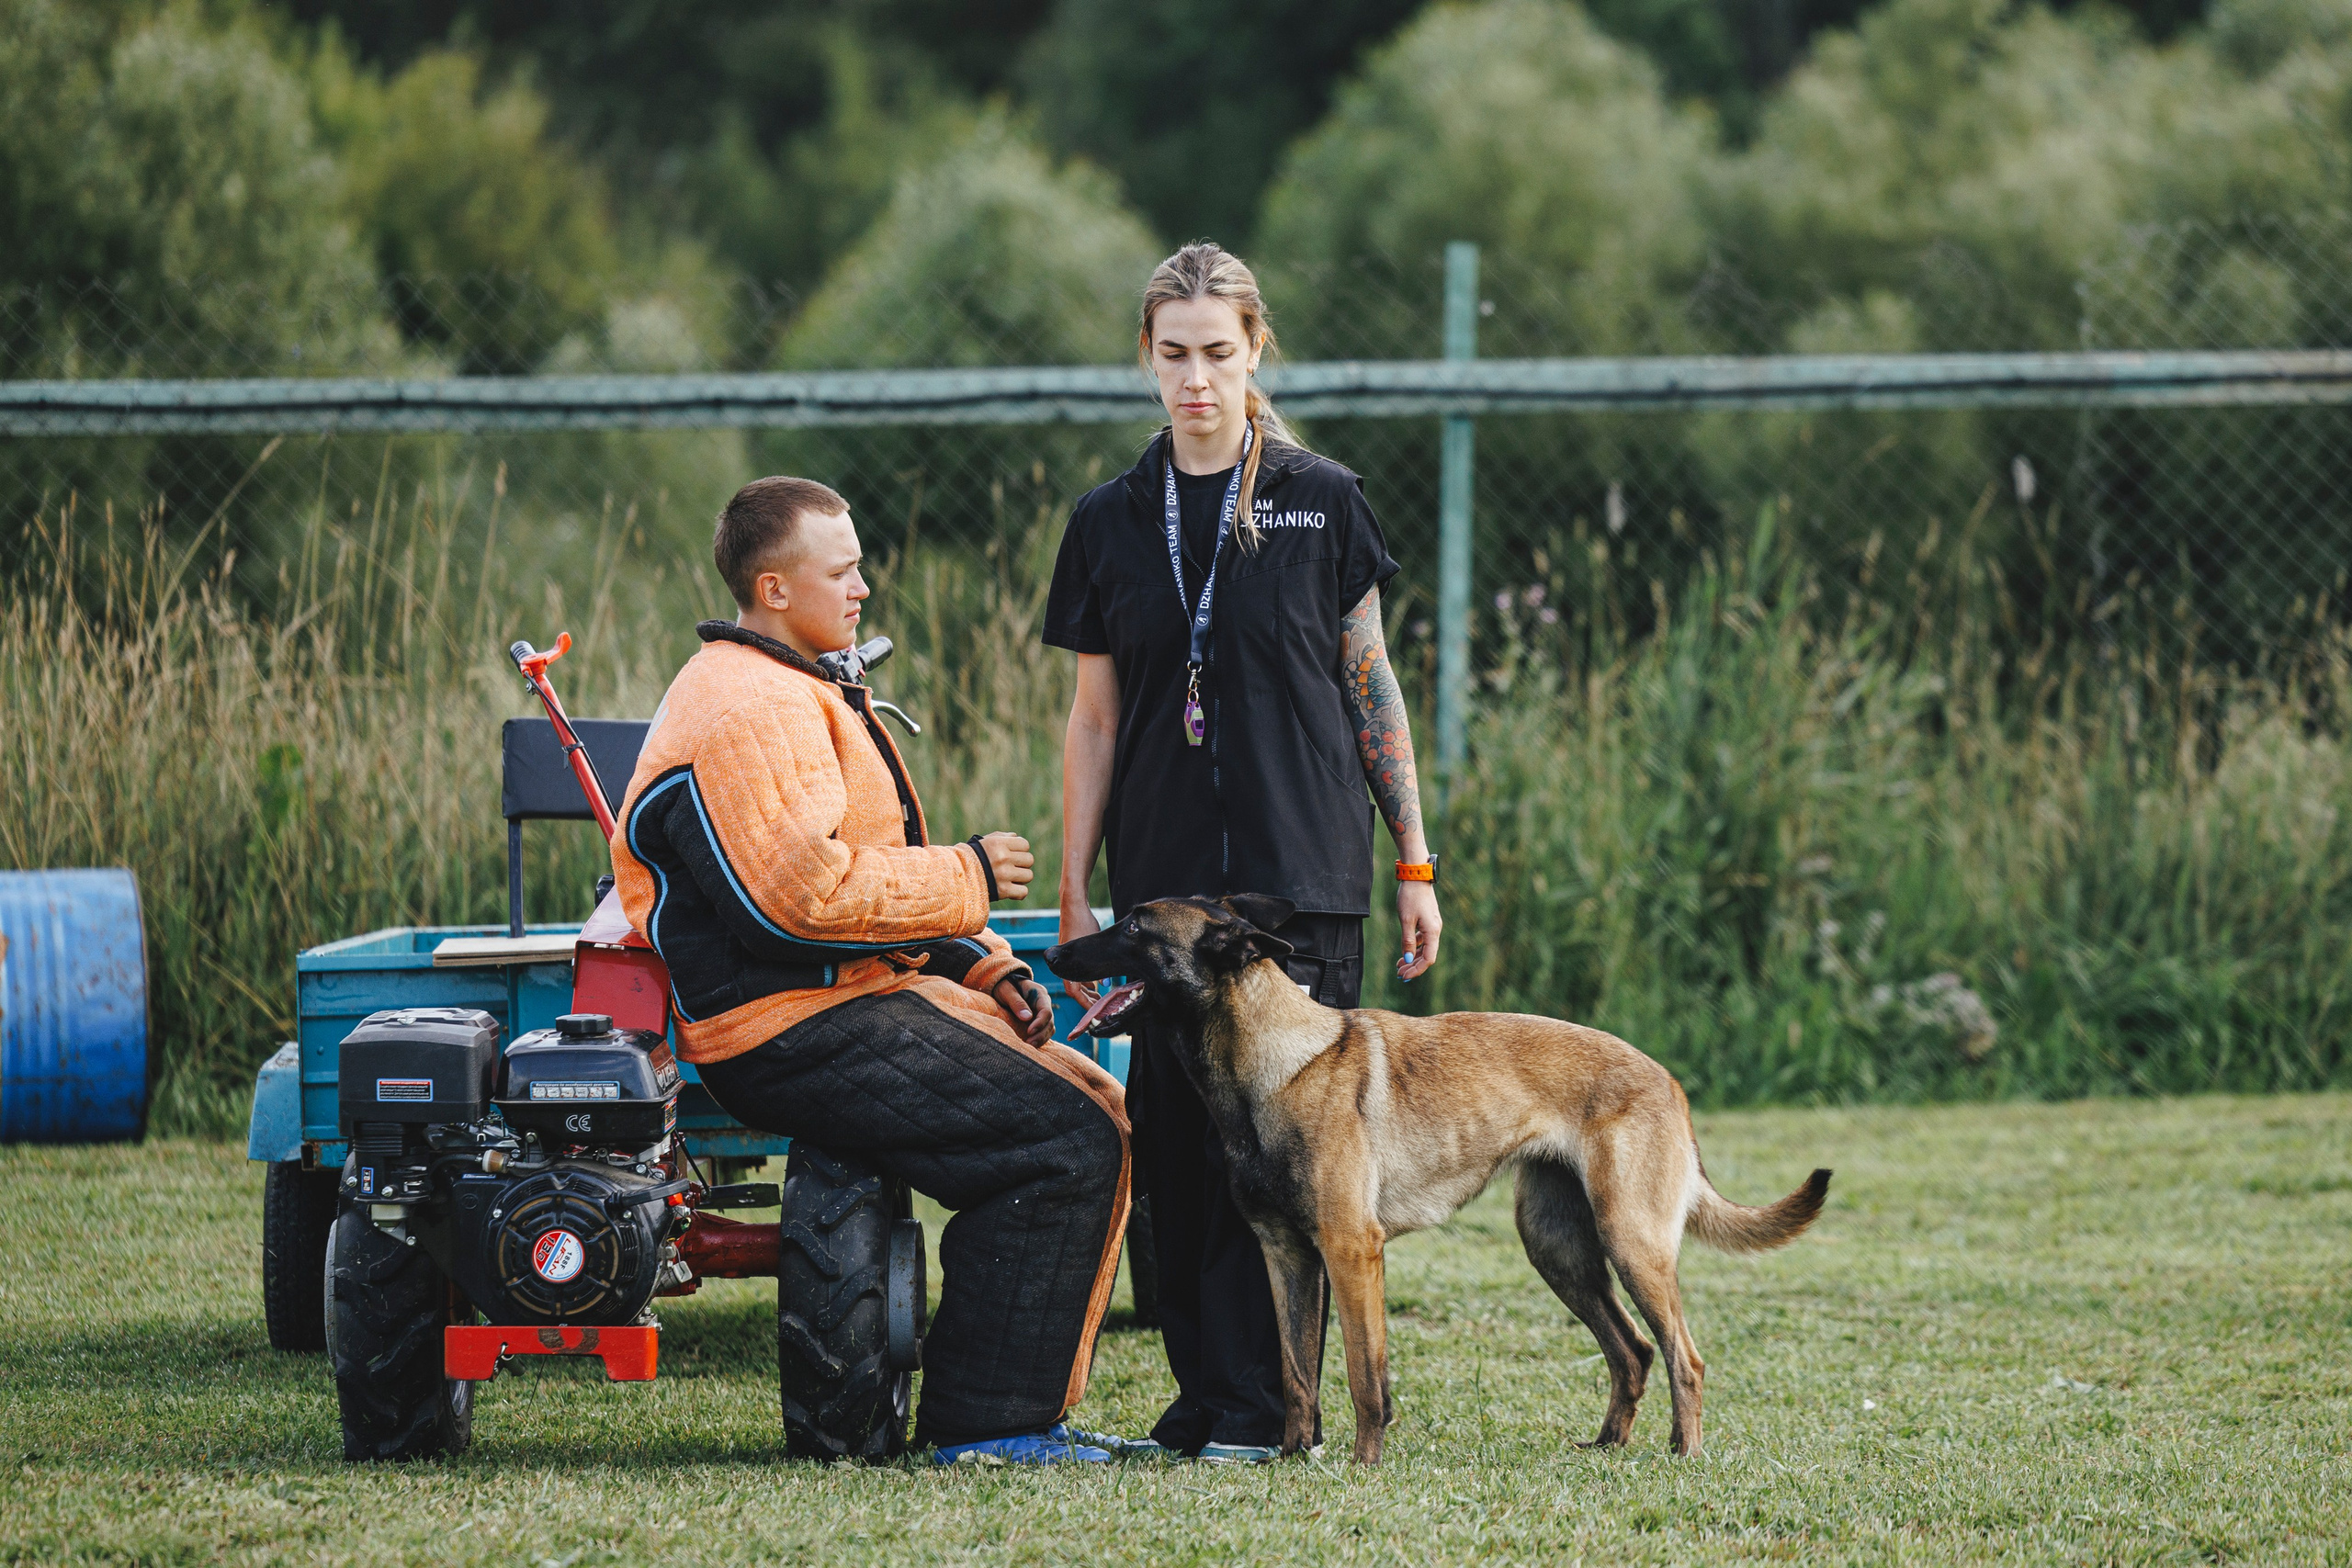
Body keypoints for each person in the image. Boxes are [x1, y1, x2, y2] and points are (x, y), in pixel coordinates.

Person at [610, 475, 1133, 1465]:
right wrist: (969, 875)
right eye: (841, 571)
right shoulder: (747, 705)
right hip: (783, 1026)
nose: (862, 588)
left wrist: (980, 965)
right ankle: (991, 1429)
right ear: (773, 589)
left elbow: (860, 876)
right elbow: (797, 902)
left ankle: (1005, 1417)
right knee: (1067, 1140)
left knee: (1087, 1106)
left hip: (835, 998)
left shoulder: (790, 682)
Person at [1045, 243, 1443, 1461]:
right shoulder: (1109, 520)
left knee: (1301, 1158)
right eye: (1174, 354)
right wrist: (1074, 887)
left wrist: (1415, 859)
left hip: (1299, 876)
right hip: (1166, 890)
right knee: (1184, 1150)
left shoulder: (1325, 499)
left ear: (1256, 348)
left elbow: (1369, 682)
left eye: (1219, 352)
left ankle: (1284, 1413)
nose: (1197, 380)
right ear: (1146, 357)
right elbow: (1095, 719)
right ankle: (1214, 1404)